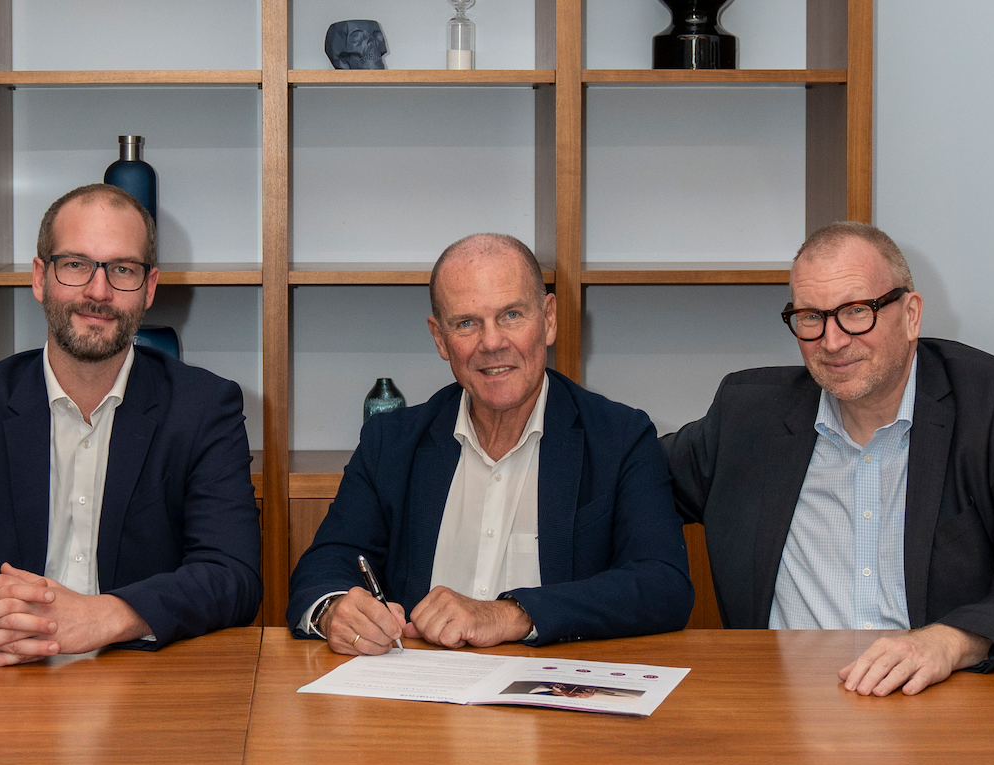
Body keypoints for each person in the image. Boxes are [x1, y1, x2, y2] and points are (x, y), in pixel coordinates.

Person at [0, 184, 261, 665]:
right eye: (76, 264)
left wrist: (107, 616)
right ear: (40, 278)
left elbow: (233, 575)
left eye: (122, 269)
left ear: (149, 289)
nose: (98, 291)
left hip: (140, 679)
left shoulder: (204, 407)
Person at [287, 233, 694, 654]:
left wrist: (509, 614)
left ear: (548, 319)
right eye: (466, 323)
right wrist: (333, 611)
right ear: (440, 338)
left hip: (552, 686)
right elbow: (324, 567)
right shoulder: (390, 442)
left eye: (511, 315)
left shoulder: (621, 437)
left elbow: (663, 584)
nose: (492, 342)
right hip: (418, 687)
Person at [663, 221, 994, 696]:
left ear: (911, 315)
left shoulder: (988, 408)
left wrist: (953, 640)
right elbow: (622, 474)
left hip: (940, 703)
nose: (833, 340)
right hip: (782, 710)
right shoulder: (747, 417)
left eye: (857, 311)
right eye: (810, 316)